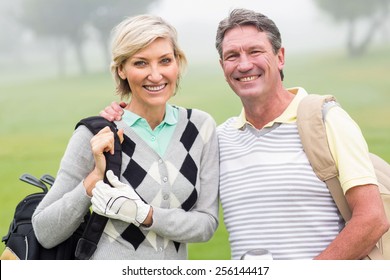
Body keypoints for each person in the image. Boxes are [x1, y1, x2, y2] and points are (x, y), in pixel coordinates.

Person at [100, 9, 389, 260]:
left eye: (255, 52)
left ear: (280, 57)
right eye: (232, 56)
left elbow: (373, 219)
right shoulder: (220, 138)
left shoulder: (326, 119)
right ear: (223, 67)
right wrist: (122, 116)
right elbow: (197, 214)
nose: (244, 64)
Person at [32, 14, 219, 260]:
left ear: (178, 63)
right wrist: (93, 182)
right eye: (140, 63)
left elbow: (206, 224)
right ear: (121, 69)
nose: (155, 75)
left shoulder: (201, 128)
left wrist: (144, 214)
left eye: (165, 60)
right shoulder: (94, 134)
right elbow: (45, 232)